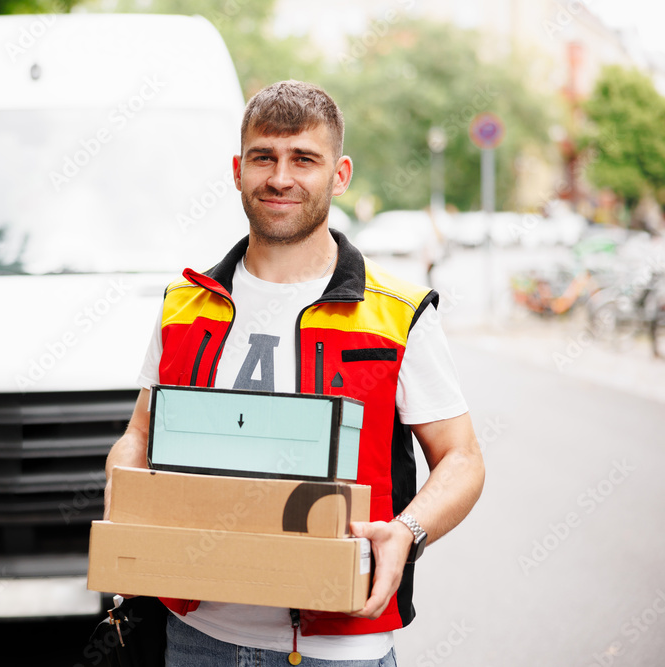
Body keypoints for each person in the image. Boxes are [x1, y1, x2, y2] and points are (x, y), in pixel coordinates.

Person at [104, 80, 485, 667]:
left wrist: (407, 531)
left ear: (340, 174)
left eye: (303, 158)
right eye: (264, 157)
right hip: (196, 635)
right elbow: (141, 432)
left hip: (340, 645)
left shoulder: (397, 312)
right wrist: (125, 482)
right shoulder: (184, 303)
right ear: (238, 170)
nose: (280, 177)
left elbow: (462, 458)